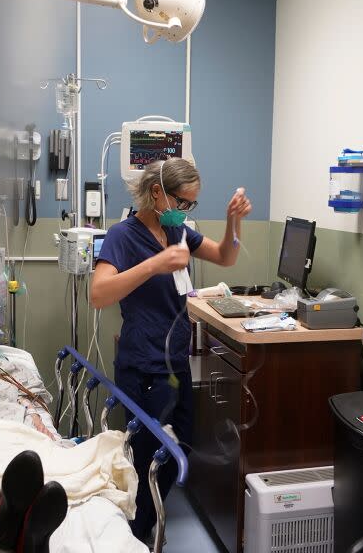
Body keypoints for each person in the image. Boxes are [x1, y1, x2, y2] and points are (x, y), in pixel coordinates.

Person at [91, 157, 251, 541]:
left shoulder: (178, 231)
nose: (185, 212)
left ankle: (145, 521)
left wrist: (233, 221)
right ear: (157, 192)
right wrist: (154, 265)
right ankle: (138, 533)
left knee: (184, 443)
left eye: (191, 205)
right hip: (143, 363)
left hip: (175, 360)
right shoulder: (123, 236)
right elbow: (98, 294)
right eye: (182, 202)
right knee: (146, 455)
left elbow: (225, 256)